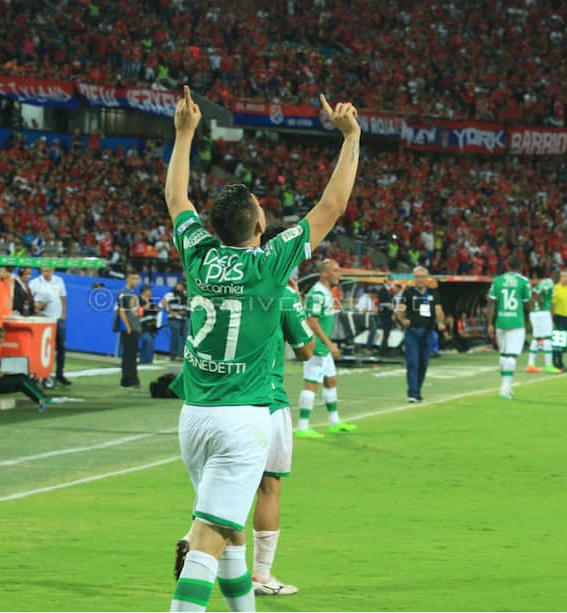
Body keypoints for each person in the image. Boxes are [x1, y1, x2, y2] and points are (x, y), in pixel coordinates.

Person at [167, 86, 360, 613]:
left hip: (194, 416)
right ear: (259, 226)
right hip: (240, 417)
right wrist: (351, 136)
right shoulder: (272, 262)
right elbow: (333, 204)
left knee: (229, 530)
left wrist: (184, 134)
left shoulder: (199, 255)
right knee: (209, 533)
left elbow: (177, 200)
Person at [296, 259, 357, 438]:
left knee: (330, 380)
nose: (339, 274)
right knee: (311, 383)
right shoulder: (317, 293)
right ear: (324, 273)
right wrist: (329, 344)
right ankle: (302, 427)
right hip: (316, 346)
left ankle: (334, 423)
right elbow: (312, 321)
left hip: (324, 347)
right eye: (336, 271)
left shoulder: (327, 292)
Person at [394, 266, 446, 403]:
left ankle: (418, 391)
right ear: (414, 278)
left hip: (428, 332)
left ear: (427, 278)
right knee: (413, 363)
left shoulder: (433, 293)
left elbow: (438, 310)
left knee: (423, 363)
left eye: (423, 277)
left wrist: (441, 322)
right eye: (417, 277)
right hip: (412, 332)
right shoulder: (408, 293)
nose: (420, 280)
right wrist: (402, 320)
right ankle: (412, 393)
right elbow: (400, 310)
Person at [0, 326, 50, 411]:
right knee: (21, 380)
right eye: (0, 337)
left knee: (23, 376)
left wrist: (4, 362)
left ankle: (42, 398)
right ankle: (43, 399)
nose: (2, 340)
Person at [487, 255, 532, 399]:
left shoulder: (498, 281)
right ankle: (505, 388)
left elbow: (491, 303)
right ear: (521, 266)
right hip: (516, 322)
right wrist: (529, 320)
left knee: (503, 355)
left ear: (507, 266)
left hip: (501, 321)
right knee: (512, 355)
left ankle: (506, 386)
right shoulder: (523, 282)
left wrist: (489, 323)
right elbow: (527, 303)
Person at [30, 267, 70, 385]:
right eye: (43, 271)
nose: (45, 273)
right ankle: (37, 374)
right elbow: (29, 299)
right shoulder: (35, 283)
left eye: (47, 271)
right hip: (44, 319)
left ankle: (59, 374)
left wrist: (63, 313)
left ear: (52, 270)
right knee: (42, 348)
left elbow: (63, 298)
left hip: (58, 319)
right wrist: (37, 309)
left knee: (61, 347)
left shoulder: (59, 280)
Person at [526, 275, 560, 373]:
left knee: (536, 338)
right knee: (547, 337)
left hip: (534, 313)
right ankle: (548, 365)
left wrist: (535, 308)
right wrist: (541, 307)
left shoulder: (542, 282)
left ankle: (530, 364)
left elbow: (533, 294)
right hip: (542, 312)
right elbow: (539, 294)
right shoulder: (549, 283)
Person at [117, 272, 142, 388]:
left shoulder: (133, 293)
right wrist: (127, 326)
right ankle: (130, 380)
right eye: (133, 278)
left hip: (134, 327)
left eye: (137, 278)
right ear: (127, 279)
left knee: (131, 355)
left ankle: (128, 380)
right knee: (129, 355)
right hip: (129, 329)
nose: (135, 281)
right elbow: (121, 311)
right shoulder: (124, 293)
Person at [551, 270, 567, 372]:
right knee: (558, 341)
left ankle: (558, 361)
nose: (566, 278)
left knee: (563, 342)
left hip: (566, 317)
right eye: (563, 276)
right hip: (558, 316)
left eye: (566, 276)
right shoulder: (556, 289)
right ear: (559, 278)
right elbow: (553, 304)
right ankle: (557, 362)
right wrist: (551, 319)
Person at [161, 281, 190, 361]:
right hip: (174, 318)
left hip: (185, 317)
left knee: (186, 337)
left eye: (183, 286)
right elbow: (163, 302)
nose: (181, 287)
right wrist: (171, 312)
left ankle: (182, 354)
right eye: (180, 285)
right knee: (175, 336)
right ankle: (174, 355)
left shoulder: (186, 293)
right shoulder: (171, 293)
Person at [139, 284, 159, 365]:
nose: (151, 292)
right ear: (144, 291)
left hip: (151, 326)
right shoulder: (138, 300)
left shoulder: (150, 301)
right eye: (149, 290)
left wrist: (156, 310)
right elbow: (136, 312)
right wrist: (144, 307)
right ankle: (145, 361)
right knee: (148, 342)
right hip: (142, 326)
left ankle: (146, 361)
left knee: (149, 344)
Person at [355, 287, 378, 352]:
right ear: (372, 294)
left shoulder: (371, 300)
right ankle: (368, 347)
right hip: (362, 317)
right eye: (375, 296)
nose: (375, 297)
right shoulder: (364, 298)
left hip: (369, 317)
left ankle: (369, 346)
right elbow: (364, 311)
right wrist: (373, 310)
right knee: (373, 330)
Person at [376, 283, 396, 354]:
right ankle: (383, 350)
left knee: (387, 333)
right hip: (385, 315)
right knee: (386, 332)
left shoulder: (388, 290)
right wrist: (392, 310)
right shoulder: (383, 290)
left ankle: (384, 348)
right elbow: (383, 303)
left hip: (387, 314)